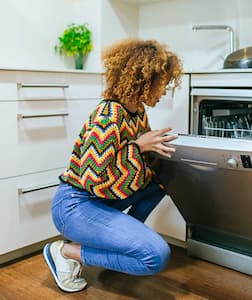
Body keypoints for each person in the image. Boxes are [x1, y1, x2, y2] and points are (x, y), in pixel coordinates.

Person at [43, 38, 183, 292]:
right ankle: (66, 252)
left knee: (162, 181)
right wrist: (139, 146)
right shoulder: (108, 116)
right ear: (145, 79)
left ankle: (116, 242)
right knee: (155, 256)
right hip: (75, 205)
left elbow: (136, 164)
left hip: (101, 200)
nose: (165, 90)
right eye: (163, 82)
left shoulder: (137, 110)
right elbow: (93, 176)